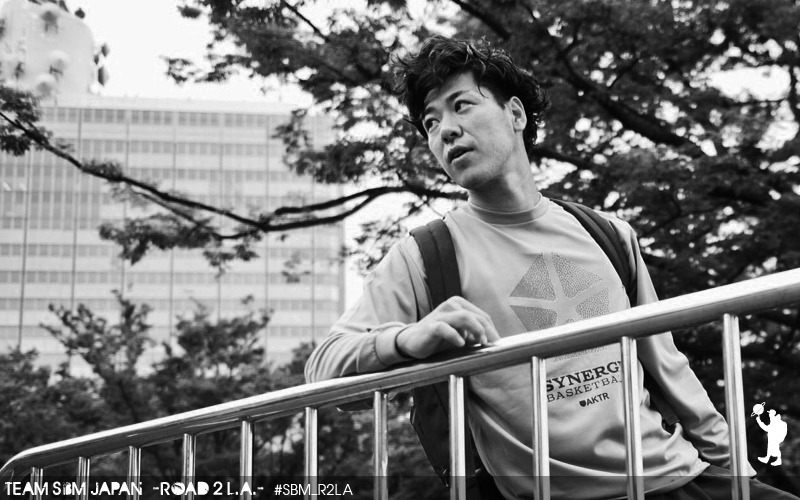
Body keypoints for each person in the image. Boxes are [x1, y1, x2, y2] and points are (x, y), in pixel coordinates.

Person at [304, 36, 798, 499]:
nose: (445, 129)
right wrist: (406, 340)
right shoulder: (425, 256)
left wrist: (736, 474)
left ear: (515, 113)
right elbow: (323, 372)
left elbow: (670, 370)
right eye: (430, 123)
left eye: (462, 105)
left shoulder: (607, 233)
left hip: (676, 478)